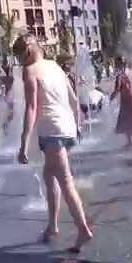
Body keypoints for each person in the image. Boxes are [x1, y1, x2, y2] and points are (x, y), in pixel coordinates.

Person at [14, 33, 93, 251]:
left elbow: (31, 108)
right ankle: (53, 226)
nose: (19, 62)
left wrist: (23, 143)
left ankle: (83, 230)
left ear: (27, 52)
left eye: (19, 57)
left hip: (52, 130)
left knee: (65, 180)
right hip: (66, 126)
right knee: (49, 176)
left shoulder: (29, 70)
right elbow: (73, 98)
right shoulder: (55, 66)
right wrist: (77, 125)